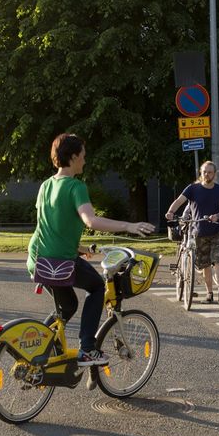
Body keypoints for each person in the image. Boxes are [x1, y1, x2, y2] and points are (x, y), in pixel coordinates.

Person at [27, 133, 155, 367]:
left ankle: (41, 353)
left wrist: (81, 248)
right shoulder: (76, 186)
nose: (85, 161)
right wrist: (129, 226)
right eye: (83, 156)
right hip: (59, 261)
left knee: (67, 307)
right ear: (74, 157)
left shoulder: (46, 185)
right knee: (96, 287)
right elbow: (91, 221)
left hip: (38, 258)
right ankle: (87, 348)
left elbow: (51, 227)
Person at [165, 161, 219, 304]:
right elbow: (178, 201)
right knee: (205, 264)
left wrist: (217, 216)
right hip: (199, 232)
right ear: (200, 173)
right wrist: (171, 211)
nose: (207, 174)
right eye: (204, 172)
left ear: (215, 174)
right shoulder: (192, 189)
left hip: (216, 231)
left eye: (210, 172)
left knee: (218, 261)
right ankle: (209, 293)